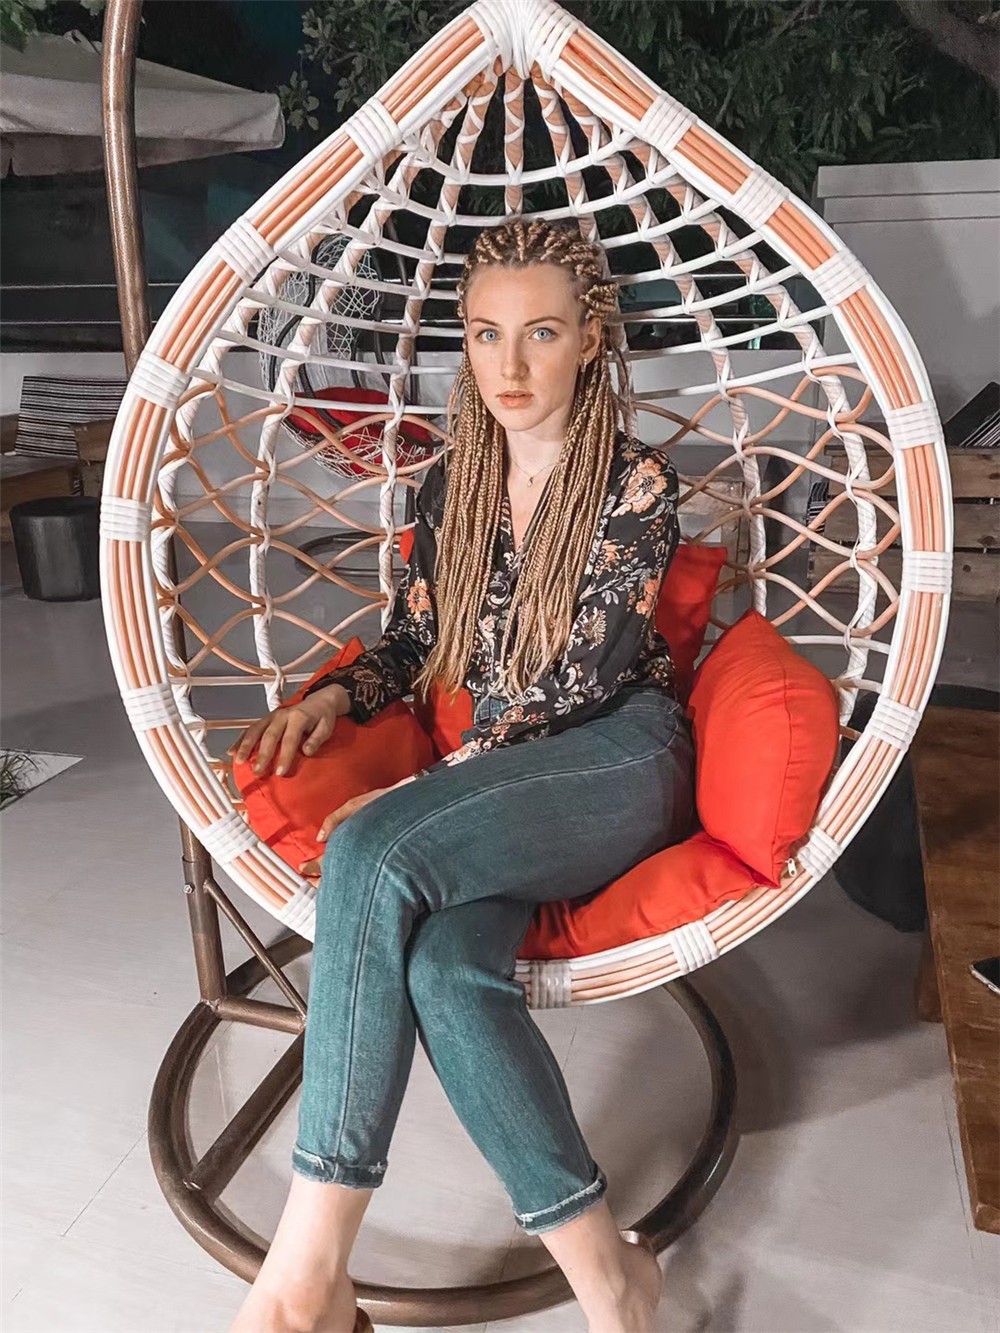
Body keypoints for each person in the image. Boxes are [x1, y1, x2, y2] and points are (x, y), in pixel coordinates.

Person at [227, 218, 696, 1333]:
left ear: (590, 339)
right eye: (487, 334)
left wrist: (416, 796)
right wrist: (340, 697)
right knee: (444, 972)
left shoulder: (636, 484)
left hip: (616, 757)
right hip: (502, 787)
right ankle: (615, 1286)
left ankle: (305, 1278)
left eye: (542, 333)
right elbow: (414, 639)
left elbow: (578, 682)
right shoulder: (454, 484)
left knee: (372, 845)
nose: (510, 364)